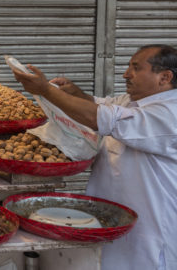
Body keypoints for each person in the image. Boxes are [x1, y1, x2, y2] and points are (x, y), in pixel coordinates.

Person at [11, 44, 177, 270]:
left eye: (136, 68)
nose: (126, 74)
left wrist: (47, 91)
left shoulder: (170, 113)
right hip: (112, 219)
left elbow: (100, 117)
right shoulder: (131, 101)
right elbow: (98, 104)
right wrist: (74, 92)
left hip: (151, 230)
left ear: (165, 77)